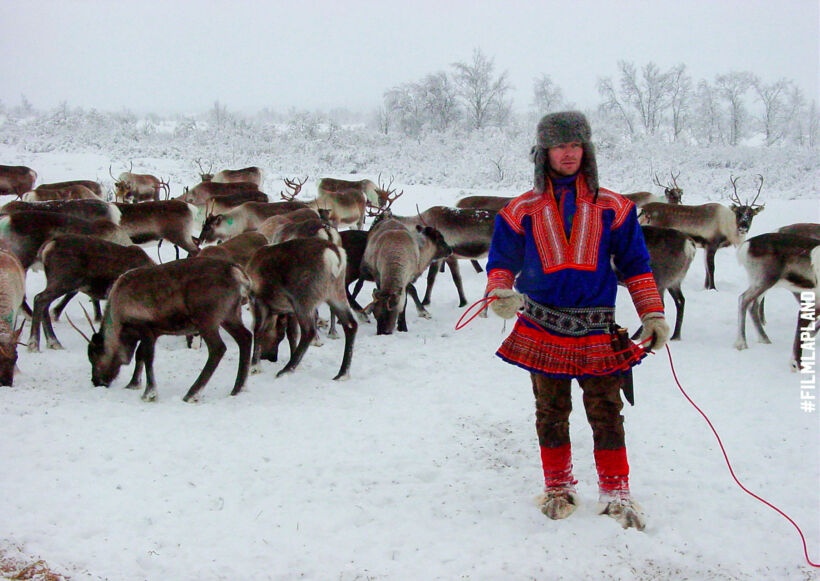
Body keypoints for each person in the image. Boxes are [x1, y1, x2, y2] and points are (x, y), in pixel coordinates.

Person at [484, 111, 670, 531]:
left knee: (606, 409)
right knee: (550, 410)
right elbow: (502, 260)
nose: (568, 153)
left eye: (575, 145)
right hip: (540, 324)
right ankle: (558, 486)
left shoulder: (615, 207)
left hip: (597, 326)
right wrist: (500, 291)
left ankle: (616, 489)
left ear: (586, 150)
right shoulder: (520, 210)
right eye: (559, 145)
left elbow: (636, 265)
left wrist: (652, 312)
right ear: (543, 152)